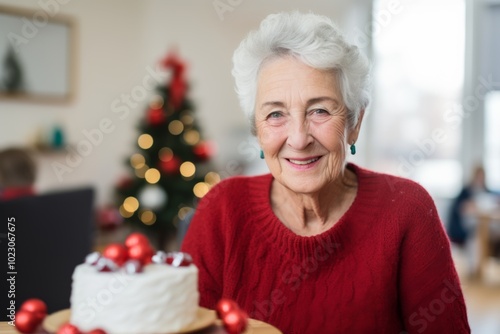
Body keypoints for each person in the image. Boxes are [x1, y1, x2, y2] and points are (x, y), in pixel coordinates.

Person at [182, 12, 470, 333]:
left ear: (354, 123)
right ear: (258, 131)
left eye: (320, 110)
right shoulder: (221, 208)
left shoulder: (407, 210)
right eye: (276, 114)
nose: (299, 138)